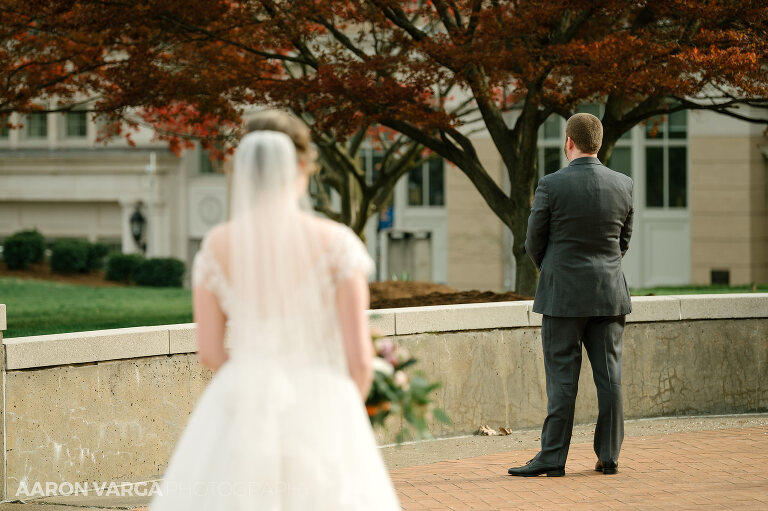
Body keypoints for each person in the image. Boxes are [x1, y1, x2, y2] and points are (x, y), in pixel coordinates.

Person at [150, 111, 400, 510]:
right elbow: (359, 361)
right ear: (301, 165)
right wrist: (344, 419)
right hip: (322, 398)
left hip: (243, 405)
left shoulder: (215, 246)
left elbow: (210, 352)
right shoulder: (337, 244)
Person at [508, 113, 633, 477]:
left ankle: (552, 457)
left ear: (569, 142)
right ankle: (608, 455)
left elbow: (533, 242)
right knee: (610, 377)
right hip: (609, 294)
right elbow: (623, 241)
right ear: (598, 142)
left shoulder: (550, 185)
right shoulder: (623, 184)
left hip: (562, 297)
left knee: (562, 379)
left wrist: (555, 269)